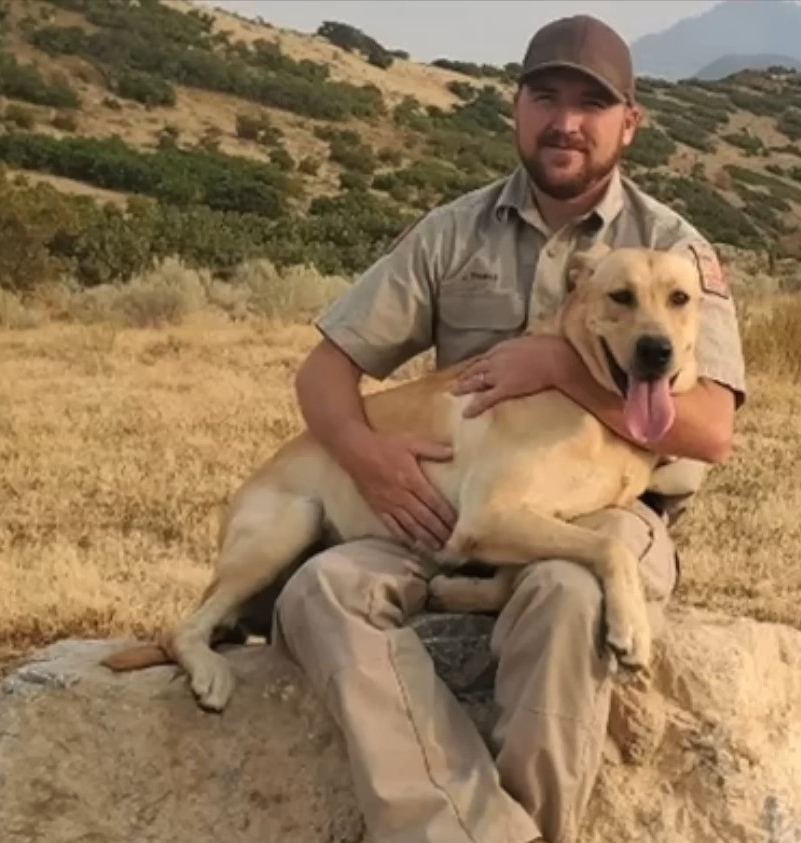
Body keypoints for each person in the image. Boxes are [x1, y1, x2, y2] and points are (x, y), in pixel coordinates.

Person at [271, 14, 747, 843]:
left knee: (572, 594)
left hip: (603, 510)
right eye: (545, 96)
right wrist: (368, 457)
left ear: (627, 122)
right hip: (447, 503)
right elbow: (324, 372)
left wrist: (561, 367)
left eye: (591, 103)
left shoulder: (673, 252)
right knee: (317, 591)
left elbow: (708, 432)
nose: (566, 120)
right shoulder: (452, 232)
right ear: (515, 109)